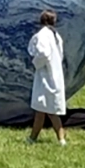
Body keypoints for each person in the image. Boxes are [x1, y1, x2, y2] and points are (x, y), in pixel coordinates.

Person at [27, 9, 68, 145]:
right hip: (55, 74)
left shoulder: (43, 35)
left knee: (48, 109)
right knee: (42, 108)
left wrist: (35, 63)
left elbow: (44, 54)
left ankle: (61, 139)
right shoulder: (56, 36)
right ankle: (33, 138)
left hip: (46, 75)